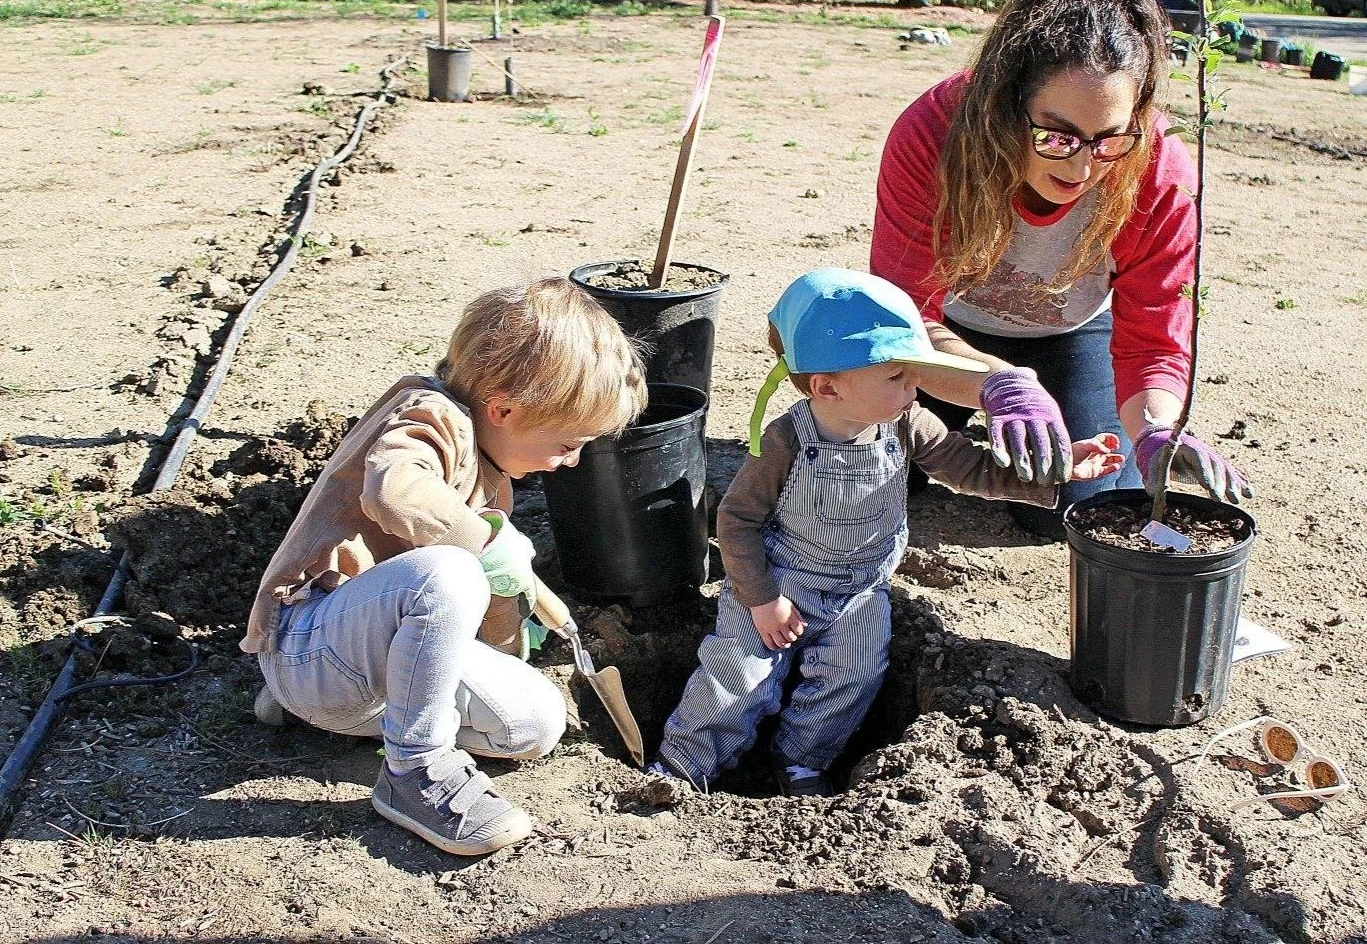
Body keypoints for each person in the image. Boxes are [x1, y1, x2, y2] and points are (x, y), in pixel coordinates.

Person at [650, 270, 1123, 795]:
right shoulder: (786, 439)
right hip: (782, 580)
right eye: (896, 375)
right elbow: (737, 521)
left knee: (852, 676)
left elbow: (968, 468)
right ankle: (682, 767)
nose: (913, 387)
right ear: (828, 387)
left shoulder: (907, 423)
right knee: (736, 679)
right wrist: (760, 599)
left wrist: (1057, 471)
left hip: (860, 590)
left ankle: (802, 761)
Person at [241, 278, 647, 855]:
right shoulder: (427, 420)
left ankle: (341, 717)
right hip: (309, 643)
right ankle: (415, 770)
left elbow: (476, 625)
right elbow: (396, 493)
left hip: (369, 673)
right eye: (568, 443)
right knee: (447, 573)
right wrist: (485, 545)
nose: (572, 461)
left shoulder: (492, 469)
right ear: (503, 408)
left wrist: (510, 604)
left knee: (535, 721)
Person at [871, 0, 1253, 540]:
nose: (1080, 166)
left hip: (1071, 333)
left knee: (1077, 502)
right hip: (942, 336)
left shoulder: (1162, 170)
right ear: (1005, 104)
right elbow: (902, 321)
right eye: (1055, 135)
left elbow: (1153, 339)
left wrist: (1155, 431)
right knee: (868, 473)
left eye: (1108, 140)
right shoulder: (933, 135)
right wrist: (998, 384)